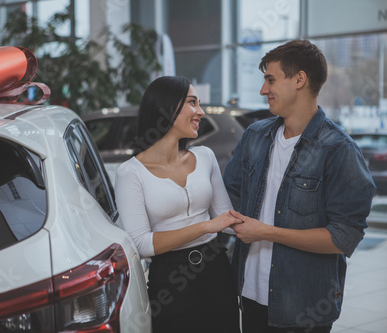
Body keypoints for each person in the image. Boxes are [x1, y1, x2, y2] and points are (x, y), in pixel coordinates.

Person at [223, 39, 376, 333]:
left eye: (270, 79)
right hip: (249, 293)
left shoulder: (339, 149)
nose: (263, 90)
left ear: (299, 80)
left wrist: (265, 232)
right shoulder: (255, 136)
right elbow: (229, 195)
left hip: (302, 305)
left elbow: (343, 237)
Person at [115, 76, 241, 333]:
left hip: (216, 268)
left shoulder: (205, 157)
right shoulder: (131, 173)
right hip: (170, 281)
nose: (201, 112)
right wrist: (206, 227)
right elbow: (142, 244)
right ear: (167, 107)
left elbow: (225, 220)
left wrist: (269, 227)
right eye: (193, 103)